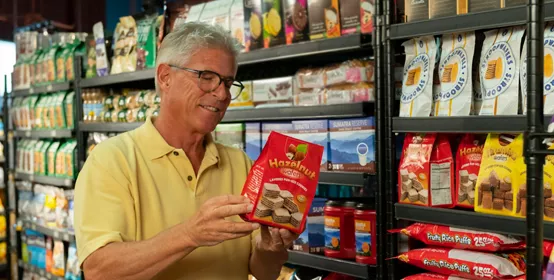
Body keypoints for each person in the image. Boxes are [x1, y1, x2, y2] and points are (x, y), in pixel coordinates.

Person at [74, 22, 298, 280]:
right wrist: (189, 234)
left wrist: (270, 248)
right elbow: (99, 271)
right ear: (165, 77)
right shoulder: (112, 160)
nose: (222, 93)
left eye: (227, 82)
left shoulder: (240, 163)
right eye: (207, 77)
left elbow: (263, 272)